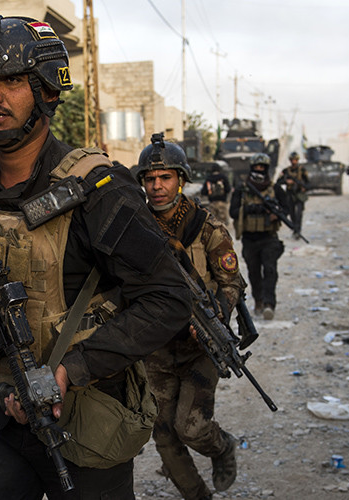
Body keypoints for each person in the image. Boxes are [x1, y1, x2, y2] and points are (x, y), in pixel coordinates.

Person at [0, 12, 191, 499]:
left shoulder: (98, 188)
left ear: (46, 90)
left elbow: (167, 299)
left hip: (84, 416)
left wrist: (71, 370)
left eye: (12, 79)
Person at [136, 133, 245, 500]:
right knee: (164, 434)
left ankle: (222, 447)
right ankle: (197, 495)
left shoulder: (207, 228)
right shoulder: (136, 230)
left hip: (200, 345)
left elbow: (232, 282)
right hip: (156, 348)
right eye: (150, 179)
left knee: (193, 428)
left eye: (165, 178)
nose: (157, 186)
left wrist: (219, 312)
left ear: (180, 180)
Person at [230, 153, 290, 320]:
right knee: (254, 273)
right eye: (256, 168)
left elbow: (286, 208)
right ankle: (259, 300)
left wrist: (276, 214)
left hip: (268, 237)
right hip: (250, 239)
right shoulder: (242, 189)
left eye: (262, 168)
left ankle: (269, 304)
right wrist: (253, 210)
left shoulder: (274, 188)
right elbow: (233, 212)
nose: (259, 171)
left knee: (270, 270)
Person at [275, 151, 309, 235]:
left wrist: (304, 187)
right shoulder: (286, 171)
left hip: (299, 194)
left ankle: (298, 229)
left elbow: (308, 182)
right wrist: (286, 181)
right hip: (290, 194)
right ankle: (294, 228)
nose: (294, 162)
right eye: (292, 160)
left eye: (295, 160)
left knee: (299, 214)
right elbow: (278, 182)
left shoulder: (302, 170)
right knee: (292, 213)